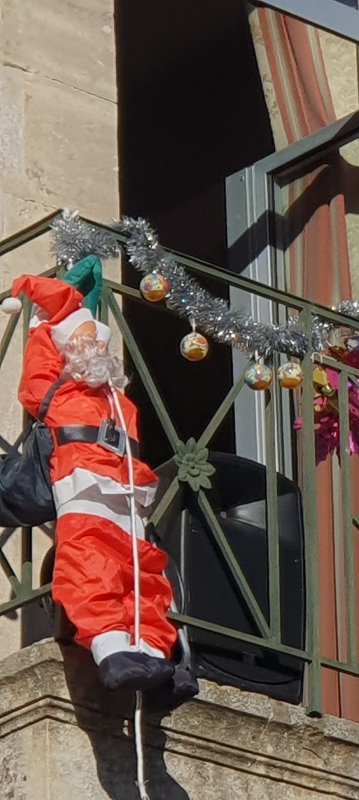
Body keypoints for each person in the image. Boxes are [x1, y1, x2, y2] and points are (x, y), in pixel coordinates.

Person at [2, 261, 188, 694]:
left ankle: (156, 654)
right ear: (64, 348)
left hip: (127, 492)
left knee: (144, 573)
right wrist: (50, 305)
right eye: (83, 339)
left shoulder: (113, 397)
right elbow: (43, 350)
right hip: (82, 481)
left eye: (96, 340)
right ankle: (113, 650)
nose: (93, 344)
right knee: (91, 564)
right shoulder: (58, 384)